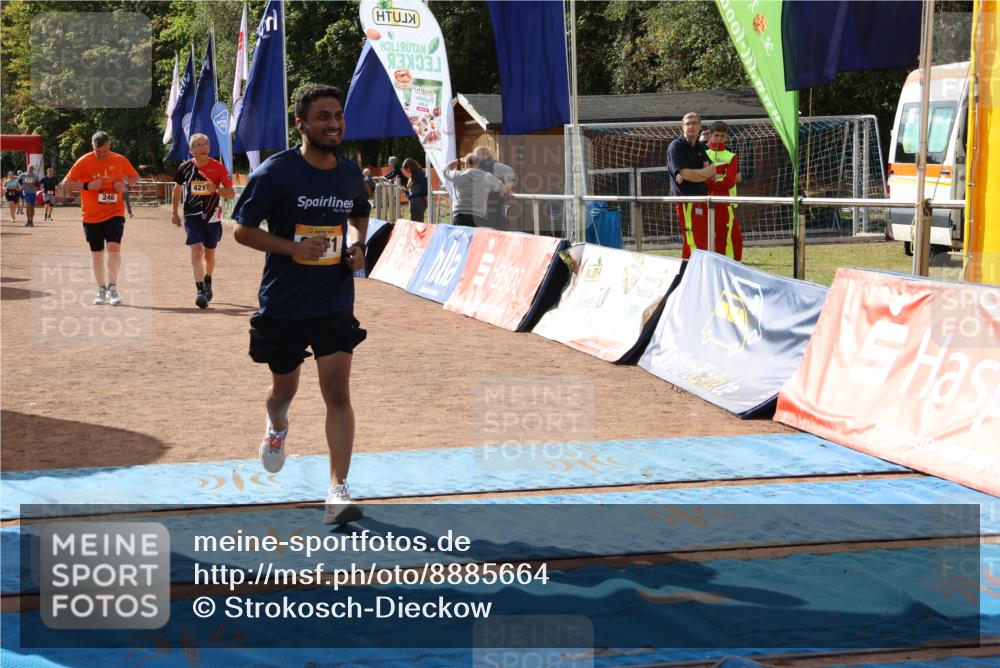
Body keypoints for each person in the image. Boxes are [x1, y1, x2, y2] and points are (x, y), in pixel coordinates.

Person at [232, 84, 369, 525]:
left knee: (338, 393)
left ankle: (338, 490)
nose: (334, 124)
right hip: (285, 302)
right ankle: (277, 426)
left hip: (333, 298)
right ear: (301, 124)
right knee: (283, 391)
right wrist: (292, 247)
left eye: (338, 116)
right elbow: (242, 230)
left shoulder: (349, 173)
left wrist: (358, 244)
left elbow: (359, 213)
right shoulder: (274, 173)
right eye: (324, 117)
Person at [62, 131, 139, 305]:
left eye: (105, 150)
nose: (103, 154)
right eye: (99, 151)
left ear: (109, 145)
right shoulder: (84, 161)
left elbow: (135, 177)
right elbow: (65, 183)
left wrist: (124, 185)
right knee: (97, 254)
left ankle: (113, 288)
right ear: (93, 147)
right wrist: (88, 185)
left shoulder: (120, 159)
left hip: (115, 213)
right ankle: (101, 289)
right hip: (91, 216)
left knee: (114, 248)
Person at [172, 133, 236, 308]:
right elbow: (177, 190)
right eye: (198, 145)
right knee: (197, 250)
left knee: (210, 253)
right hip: (192, 216)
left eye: (205, 144)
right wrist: (174, 213)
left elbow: (231, 194)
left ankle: (208, 279)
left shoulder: (218, 167)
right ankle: (200, 290)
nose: (202, 148)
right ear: (191, 149)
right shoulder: (185, 168)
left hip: (212, 217)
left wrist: (216, 189)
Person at [667, 112, 718, 258]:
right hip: (686, 201)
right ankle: (691, 273)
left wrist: (694, 174)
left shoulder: (700, 147)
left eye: (694, 123)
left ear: (700, 126)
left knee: (700, 239)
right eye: (688, 123)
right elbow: (685, 174)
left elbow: (713, 170)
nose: (691, 126)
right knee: (693, 241)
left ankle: (690, 274)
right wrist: (702, 172)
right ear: (682, 127)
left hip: (701, 200)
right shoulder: (676, 147)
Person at [704, 121, 744, 261]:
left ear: (727, 137)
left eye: (722, 135)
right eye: (716, 135)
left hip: (726, 202)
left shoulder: (731, 156)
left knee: (727, 236)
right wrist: (717, 177)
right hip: (704, 202)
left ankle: (727, 264)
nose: (719, 138)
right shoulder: (703, 153)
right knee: (706, 235)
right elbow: (702, 180)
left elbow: (730, 181)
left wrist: (710, 181)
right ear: (710, 135)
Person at [442, 153, 506, 227]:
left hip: (460, 217)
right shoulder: (487, 177)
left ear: (466, 164)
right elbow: (502, 187)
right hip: (478, 218)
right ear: (478, 164)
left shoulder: (458, 176)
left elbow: (445, 170)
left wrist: (458, 161)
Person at [474, 146, 515, 230]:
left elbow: (509, 170)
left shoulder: (493, 165)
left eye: (477, 155)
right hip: (481, 207)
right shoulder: (476, 166)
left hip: (493, 205)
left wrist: (506, 188)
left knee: (498, 229)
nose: (475, 157)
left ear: (486, 155)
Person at [401, 158, 428, 222]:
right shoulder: (412, 176)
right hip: (413, 203)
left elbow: (424, 189)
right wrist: (406, 192)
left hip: (419, 203)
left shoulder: (421, 174)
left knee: (418, 223)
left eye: (407, 169)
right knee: (413, 223)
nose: (407, 171)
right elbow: (412, 193)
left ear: (411, 167)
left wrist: (413, 194)